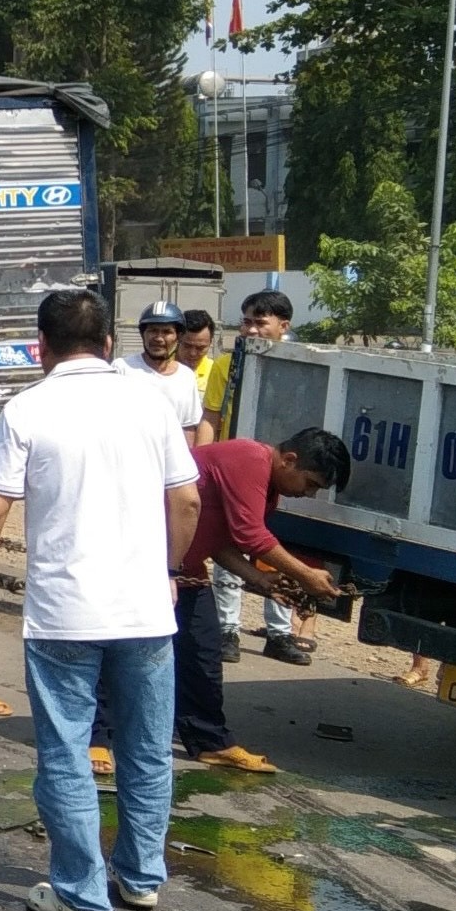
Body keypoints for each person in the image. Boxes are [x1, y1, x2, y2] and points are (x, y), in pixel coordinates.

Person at [0, 289, 201, 911]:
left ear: (42, 347)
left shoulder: (28, 408)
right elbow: (188, 502)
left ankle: (82, 895)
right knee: (146, 749)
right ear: (110, 344)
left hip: (65, 612)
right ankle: (142, 880)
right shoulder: (150, 404)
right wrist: (169, 570)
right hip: (145, 610)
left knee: (66, 751)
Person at [144, 429, 350, 776]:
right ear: (290, 460)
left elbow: (219, 538)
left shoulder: (266, 482)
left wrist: (258, 579)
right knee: (126, 650)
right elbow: (250, 535)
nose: (307, 493)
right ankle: (96, 737)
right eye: (310, 483)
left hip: (185, 570)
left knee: (202, 654)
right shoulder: (249, 460)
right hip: (147, 564)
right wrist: (307, 575)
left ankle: (211, 743)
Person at [201, 289, 304, 663]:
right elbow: (211, 418)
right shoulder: (226, 365)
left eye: (261, 323)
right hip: (233, 474)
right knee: (226, 550)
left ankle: (279, 633)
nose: (252, 330)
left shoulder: (301, 368)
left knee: (275, 552)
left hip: (277, 477)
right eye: (247, 322)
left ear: (283, 326)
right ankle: (227, 630)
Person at [119, 301, 211, 446]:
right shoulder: (122, 368)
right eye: (153, 330)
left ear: (178, 336)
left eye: (167, 332)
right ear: (143, 334)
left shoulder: (185, 376)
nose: (158, 338)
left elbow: (188, 428)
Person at [177, 309, 218, 389]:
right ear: (177, 339)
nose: (193, 353)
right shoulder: (160, 368)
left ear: (211, 343)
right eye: (187, 346)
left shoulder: (215, 372)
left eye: (200, 348)